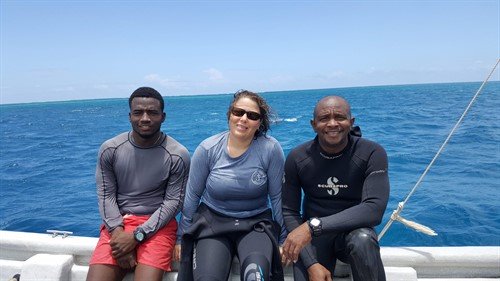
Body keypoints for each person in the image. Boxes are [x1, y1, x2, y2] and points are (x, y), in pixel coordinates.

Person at [174, 90, 287, 281]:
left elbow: (277, 197)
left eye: (252, 116)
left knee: (256, 276)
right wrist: (180, 238)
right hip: (212, 224)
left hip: (255, 224)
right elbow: (192, 196)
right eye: (238, 112)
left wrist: (283, 239)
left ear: (259, 123)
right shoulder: (208, 149)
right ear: (230, 114)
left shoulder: (270, 149)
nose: (243, 119)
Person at [86, 87, 190, 281]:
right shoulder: (110, 149)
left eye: (152, 112)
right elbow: (105, 195)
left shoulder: (177, 154)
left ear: (163, 116)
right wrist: (119, 237)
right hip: (118, 225)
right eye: (138, 112)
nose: (145, 118)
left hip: (158, 226)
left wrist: (136, 237)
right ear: (129, 116)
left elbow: (173, 203)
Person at [281, 96, 389, 281]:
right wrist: (311, 263)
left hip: (352, 233)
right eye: (324, 119)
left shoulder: (372, 153)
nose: (332, 124)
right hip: (315, 240)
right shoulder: (297, 157)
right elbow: (289, 211)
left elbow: (374, 209)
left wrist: (313, 226)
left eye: (339, 117)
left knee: (363, 239)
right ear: (313, 124)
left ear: (351, 122)